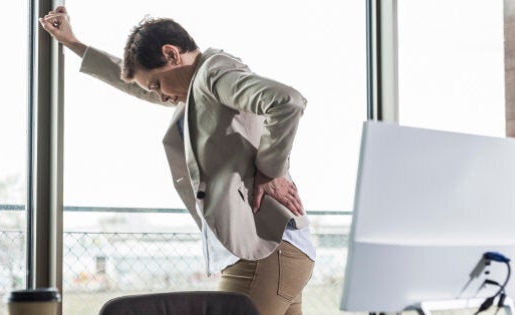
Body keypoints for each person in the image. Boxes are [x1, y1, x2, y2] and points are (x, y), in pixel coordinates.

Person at [39, 6, 315, 315]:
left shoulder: (213, 72)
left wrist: (271, 170)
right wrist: (74, 44)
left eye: (157, 84)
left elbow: (286, 101)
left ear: (171, 55)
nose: (158, 96)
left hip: (263, 254)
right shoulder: (197, 90)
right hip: (279, 251)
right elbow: (136, 84)